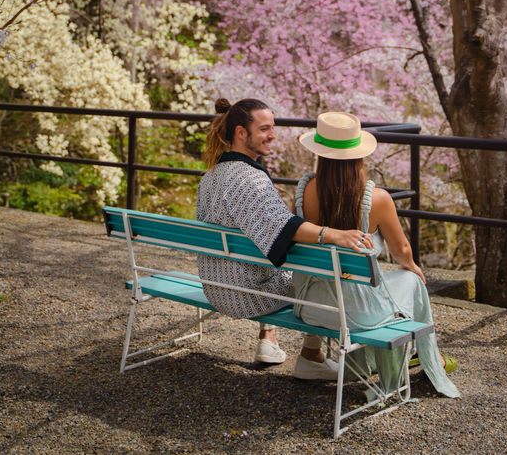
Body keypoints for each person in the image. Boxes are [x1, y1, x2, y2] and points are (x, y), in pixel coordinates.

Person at [197, 97, 373, 380]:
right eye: (265, 129)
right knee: (314, 276)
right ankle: (314, 356)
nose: (273, 135)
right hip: (246, 296)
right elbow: (283, 227)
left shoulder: (211, 176)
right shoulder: (248, 178)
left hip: (214, 285)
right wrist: (334, 234)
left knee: (282, 263)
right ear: (241, 133)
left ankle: (270, 339)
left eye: (273, 128)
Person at [292, 110, 460, 398]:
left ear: (320, 153)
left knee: (359, 284)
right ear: (358, 155)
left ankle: (414, 357)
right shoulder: (376, 199)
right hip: (355, 314)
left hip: (310, 305)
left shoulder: (305, 189)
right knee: (411, 282)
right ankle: (430, 358)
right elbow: (401, 250)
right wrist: (411, 266)